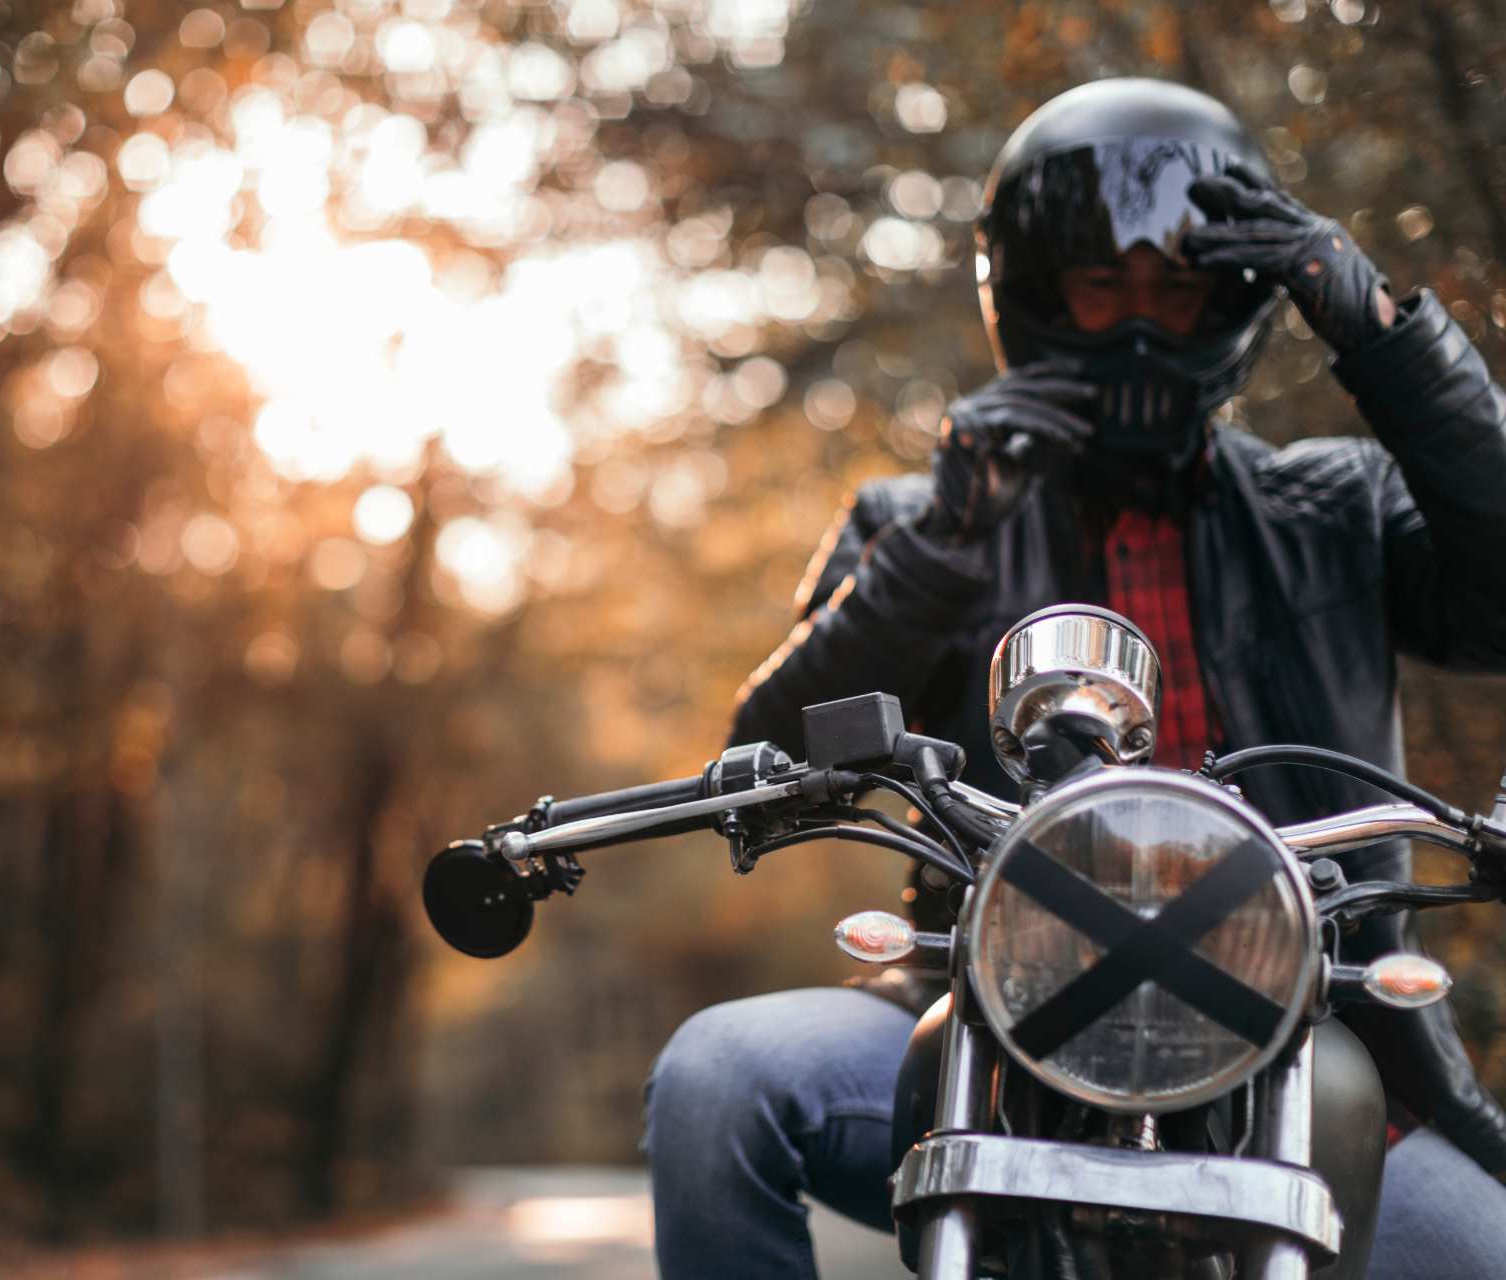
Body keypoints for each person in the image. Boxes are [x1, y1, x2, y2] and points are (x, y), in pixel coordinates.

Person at [642, 78, 1506, 1279]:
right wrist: (943, 548)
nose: (1142, 322)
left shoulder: (1341, 504)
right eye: (1105, 285)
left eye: (1177, 287)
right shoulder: (918, 521)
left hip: (1312, 1027)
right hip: (991, 1014)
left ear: (1234, 297)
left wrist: (1384, 335)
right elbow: (774, 757)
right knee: (716, 1076)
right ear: (1042, 293)